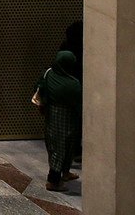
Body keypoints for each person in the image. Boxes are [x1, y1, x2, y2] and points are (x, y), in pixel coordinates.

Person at [35, 49, 83, 191]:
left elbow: (40, 88)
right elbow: (78, 102)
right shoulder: (72, 83)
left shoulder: (49, 74)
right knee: (62, 147)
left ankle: (65, 173)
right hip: (68, 117)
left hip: (52, 116)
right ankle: (53, 181)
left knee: (58, 146)